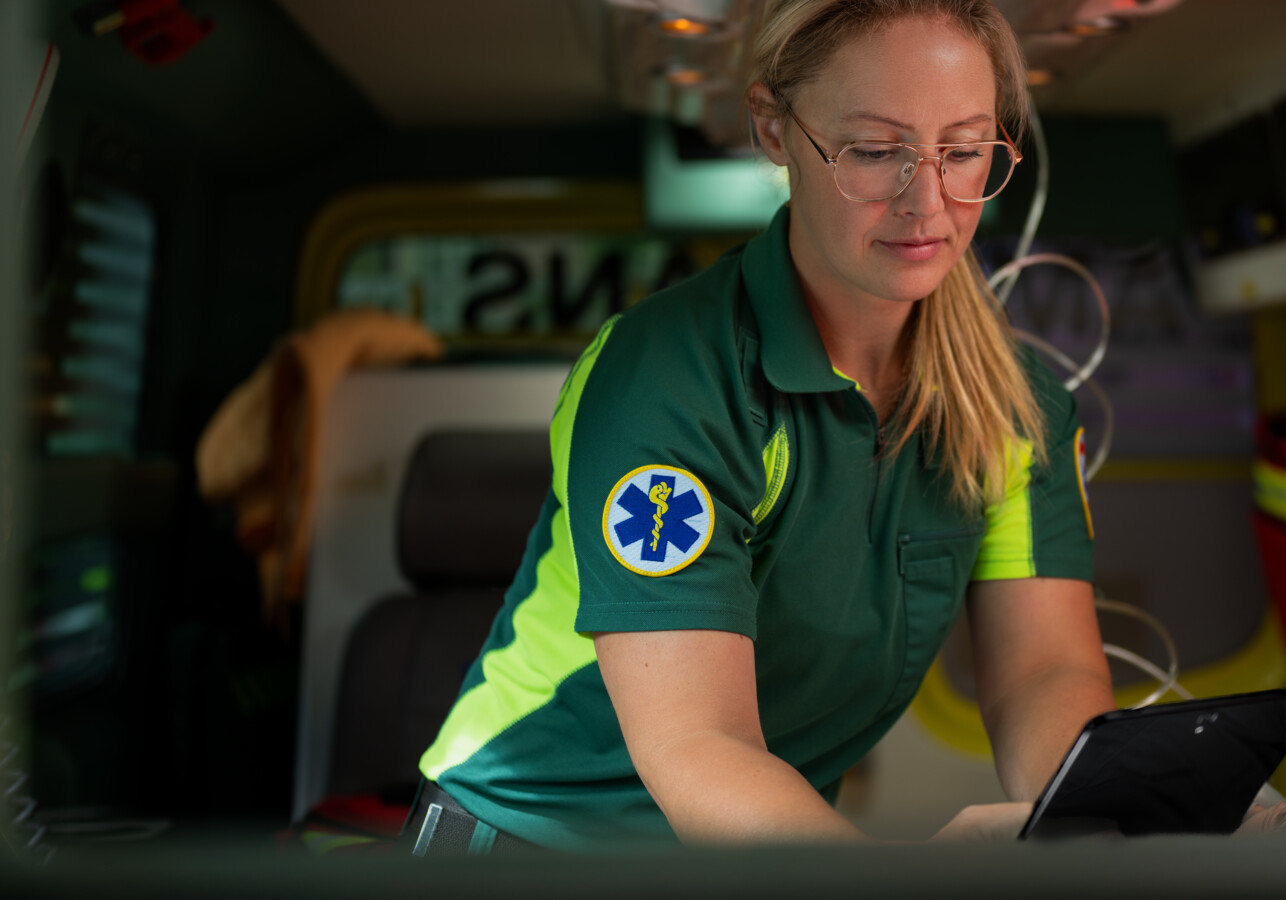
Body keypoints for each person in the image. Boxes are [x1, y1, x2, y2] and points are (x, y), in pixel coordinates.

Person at [407, 0, 1113, 852]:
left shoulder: (1016, 407)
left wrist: (1110, 820)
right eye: (874, 150)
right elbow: (700, 743)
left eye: (963, 152)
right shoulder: (670, 378)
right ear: (774, 129)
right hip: (527, 842)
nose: (927, 201)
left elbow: (1044, 673)